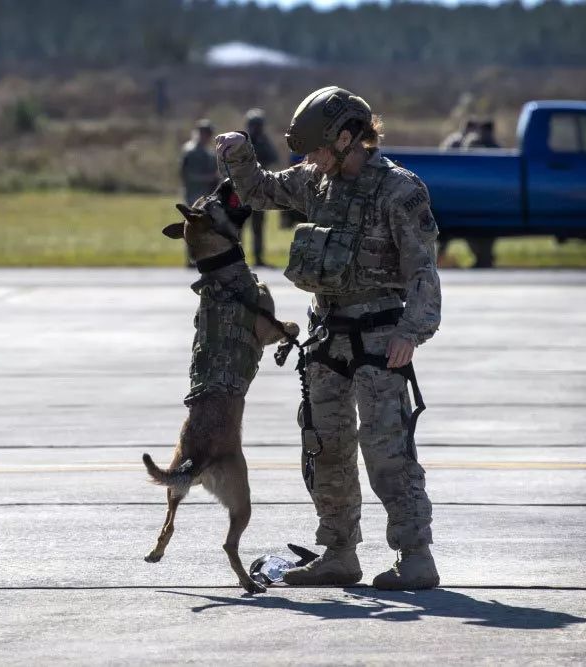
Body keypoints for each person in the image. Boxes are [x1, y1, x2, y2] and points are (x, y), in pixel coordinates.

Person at [216, 86, 442, 590]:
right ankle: (339, 552)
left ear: (348, 137)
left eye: (317, 148)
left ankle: (415, 556)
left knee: (387, 448)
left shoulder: (400, 191)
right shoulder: (316, 181)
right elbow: (260, 191)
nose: (311, 159)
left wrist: (412, 331)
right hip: (326, 338)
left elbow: (424, 271)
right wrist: (238, 152)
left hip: (381, 337)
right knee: (325, 448)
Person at [180, 119, 220, 267]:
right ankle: (191, 259)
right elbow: (186, 175)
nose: (208, 137)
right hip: (193, 193)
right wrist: (206, 178)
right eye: (206, 134)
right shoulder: (190, 151)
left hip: (206, 196)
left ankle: (203, 257)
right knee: (191, 227)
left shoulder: (209, 153)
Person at [244, 108, 280, 266]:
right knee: (239, 226)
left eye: (259, 125)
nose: (257, 128)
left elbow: (274, 157)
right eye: (255, 125)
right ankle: (239, 259)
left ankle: (258, 258)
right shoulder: (243, 141)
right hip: (243, 190)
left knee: (258, 227)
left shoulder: (263, 141)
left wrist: (263, 141)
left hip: (259, 190)